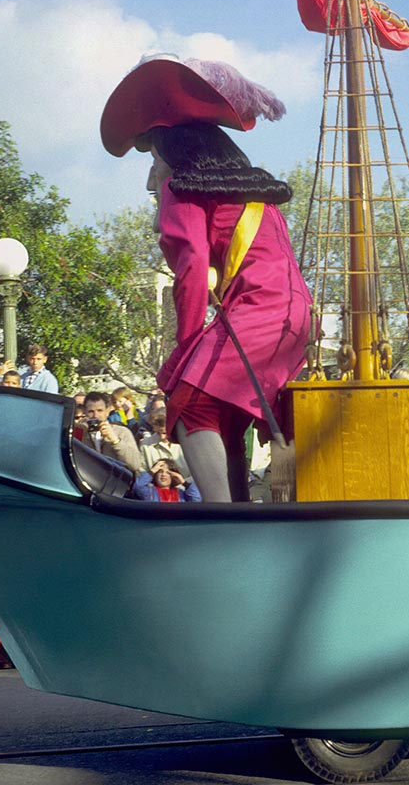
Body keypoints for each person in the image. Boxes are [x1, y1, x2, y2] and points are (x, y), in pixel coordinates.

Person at [101, 55, 311, 502]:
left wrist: (186, 343)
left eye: (153, 159)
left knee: (190, 400)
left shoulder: (182, 187)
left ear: (175, 156)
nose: (149, 181)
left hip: (256, 313)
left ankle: (220, 515)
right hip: (294, 316)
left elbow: (193, 266)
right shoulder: (252, 191)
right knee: (224, 411)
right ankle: (237, 506)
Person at [76, 392, 143, 474]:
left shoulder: (122, 432)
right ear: (85, 412)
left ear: (107, 411)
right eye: (91, 411)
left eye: (100, 410)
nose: (95, 415)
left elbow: (135, 464)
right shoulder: (80, 432)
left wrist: (115, 440)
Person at [139, 409, 191, 479]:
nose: (162, 437)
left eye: (164, 433)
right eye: (158, 433)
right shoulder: (145, 445)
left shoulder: (188, 441)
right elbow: (142, 471)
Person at [133, 457, 202, 503]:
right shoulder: (150, 492)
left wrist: (184, 483)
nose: (163, 474)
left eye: (168, 472)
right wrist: (152, 470)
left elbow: (196, 499)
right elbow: (138, 486)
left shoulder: (181, 493)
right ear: (155, 475)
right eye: (160, 471)